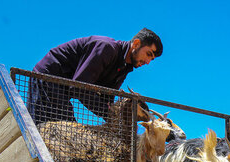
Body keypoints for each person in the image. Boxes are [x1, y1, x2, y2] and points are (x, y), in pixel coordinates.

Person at [27, 28, 163, 124]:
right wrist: (110, 115)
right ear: (137, 44)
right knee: (53, 131)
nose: (147, 62)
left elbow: (107, 100)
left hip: (63, 88)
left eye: (151, 59)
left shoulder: (124, 68)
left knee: (67, 130)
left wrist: (121, 121)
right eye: (148, 54)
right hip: (48, 76)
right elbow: (79, 86)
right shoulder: (107, 48)